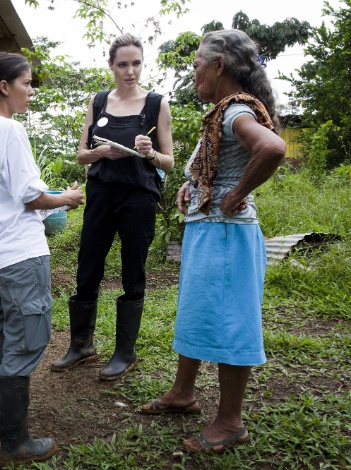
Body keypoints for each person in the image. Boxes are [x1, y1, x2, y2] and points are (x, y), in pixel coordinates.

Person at [140, 29, 286, 453]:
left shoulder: (235, 110)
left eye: (197, 67)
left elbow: (273, 149)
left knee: (229, 321)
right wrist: (194, 185)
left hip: (226, 234)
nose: (193, 77)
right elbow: (216, 166)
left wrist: (235, 194)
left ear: (219, 65)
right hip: (211, 231)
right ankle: (183, 392)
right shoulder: (225, 111)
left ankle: (230, 421)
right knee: (198, 311)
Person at [0, 52, 84, 466]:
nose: (31, 91)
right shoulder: (11, 132)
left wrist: (50, 199)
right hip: (21, 256)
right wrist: (67, 198)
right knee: (26, 339)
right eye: (27, 83)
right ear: (4, 87)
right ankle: (15, 443)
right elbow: (31, 197)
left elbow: (3, 194)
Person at [50, 33, 174, 381]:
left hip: (138, 197)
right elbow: (81, 154)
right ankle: (81, 345)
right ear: (111, 66)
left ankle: (125, 352)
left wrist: (150, 153)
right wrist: (99, 152)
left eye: (136, 63)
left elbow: (170, 162)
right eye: (123, 64)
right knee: (88, 265)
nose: (130, 71)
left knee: (133, 270)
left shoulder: (156, 104)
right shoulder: (99, 100)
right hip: (101, 194)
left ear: (142, 64)